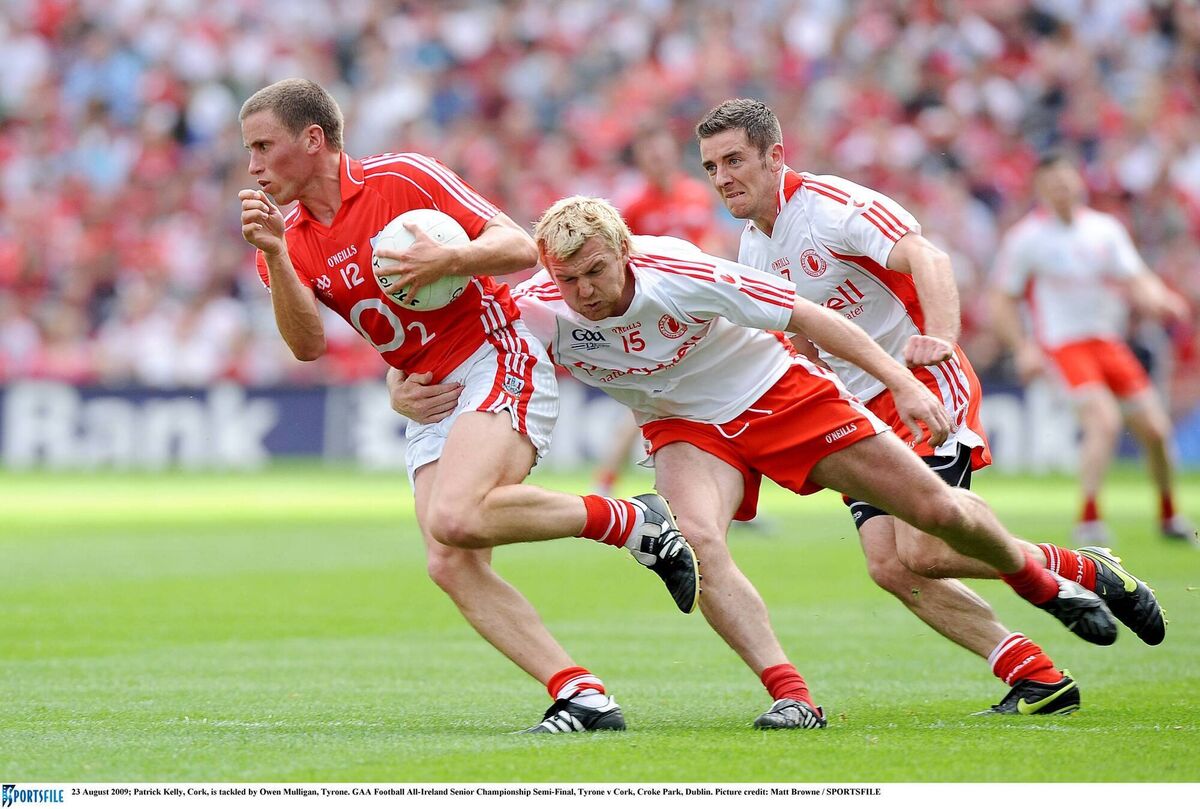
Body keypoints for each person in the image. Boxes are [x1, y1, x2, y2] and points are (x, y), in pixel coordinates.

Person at [498, 196, 1127, 728]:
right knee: (695, 542)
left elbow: (812, 316)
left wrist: (902, 384)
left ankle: (1044, 581)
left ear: (625, 254)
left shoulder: (682, 270)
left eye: (595, 274)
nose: (582, 293)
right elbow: (457, 347)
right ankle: (792, 696)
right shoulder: (534, 306)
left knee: (932, 515)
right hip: (684, 426)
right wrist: (417, 392)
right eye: (567, 279)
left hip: (776, 393)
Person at [237, 78, 699, 735]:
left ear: (313, 140)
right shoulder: (289, 238)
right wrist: (278, 256)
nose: (251, 165)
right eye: (247, 150)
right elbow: (307, 345)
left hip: (493, 354)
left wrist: (448, 258)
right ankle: (583, 695)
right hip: (428, 395)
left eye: (263, 146)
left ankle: (632, 522)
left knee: (454, 516)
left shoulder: (401, 177)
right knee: (448, 559)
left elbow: (518, 245)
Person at [692, 99, 1166, 709]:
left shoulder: (832, 206)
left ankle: (1085, 571)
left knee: (926, 548)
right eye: (711, 166)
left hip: (919, 386)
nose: (723, 177)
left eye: (734, 159)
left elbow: (927, 256)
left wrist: (940, 339)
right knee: (891, 566)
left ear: (775, 155)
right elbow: (802, 345)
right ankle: (1035, 673)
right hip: (858, 415)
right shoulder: (753, 249)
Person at [991, 152, 1195, 546]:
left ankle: (1170, 516)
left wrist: (1160, 296)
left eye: (1067, 183)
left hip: (1107, 341)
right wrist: (1023, 346)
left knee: (1156, 431)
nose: (1062, 191)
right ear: (1041, 190)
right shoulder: (1026, 239)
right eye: (1053, 185)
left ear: (1079, 183)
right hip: (1063, 345)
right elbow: (1002, 299)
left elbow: (1136, 276)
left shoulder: (1103, 230)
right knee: (1103, 421)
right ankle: (1088, 520)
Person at [594, 125, 728, 496]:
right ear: (641, 160)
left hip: (698, 309)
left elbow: (712, 242)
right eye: (651, 155)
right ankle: (605, 483)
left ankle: (728, 492)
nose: (659, 161)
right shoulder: (633, 204)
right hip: (655, 315)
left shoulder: (697, 195)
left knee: (710, 400)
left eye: (663, 153)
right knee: (647, 402)